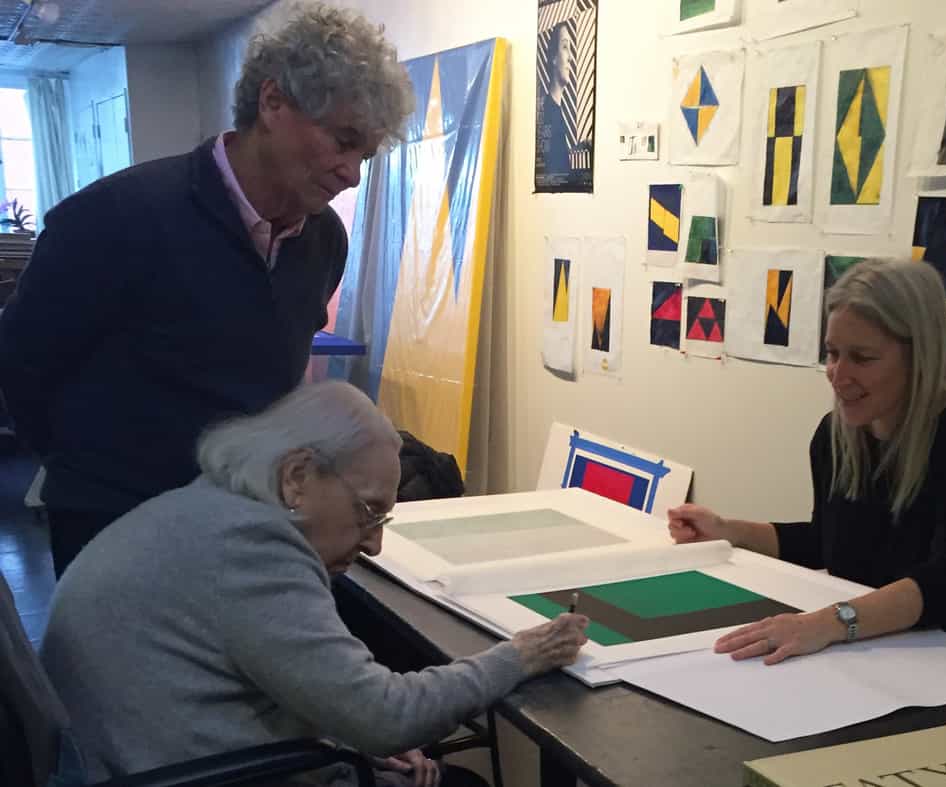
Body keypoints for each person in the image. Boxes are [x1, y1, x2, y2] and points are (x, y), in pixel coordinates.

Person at [0, 3, 415, 577]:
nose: (352, 172)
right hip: (117, 525)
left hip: (241, 522)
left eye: (364, 154)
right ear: (273, 103)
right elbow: (21, 365)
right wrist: (88, 468)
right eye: (342, 141)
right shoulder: (116, 217)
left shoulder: (323, 242)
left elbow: (276, 376)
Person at [41, 381, 590, 786]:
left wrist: (342, 736)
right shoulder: (254, 551)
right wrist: (518, 655)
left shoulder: (209, 507)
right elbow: (386, 716)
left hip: (143, 758)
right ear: (298, 477)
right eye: (368, 511)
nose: (374, 543)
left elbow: (291, 682)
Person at [669, 259, 946, 674]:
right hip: (876, 661)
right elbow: (828, 540)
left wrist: (826, 623)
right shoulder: (836, 436)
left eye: (862, 357)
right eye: (833, 353)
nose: (839, 376)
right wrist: (729, 532)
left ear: (920, 356)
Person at [536, 21, 574, 175]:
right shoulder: (548, 114)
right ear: (553, 57)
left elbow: (558, 162)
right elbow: (556, 172)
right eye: (565, 47)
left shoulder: (555, 111)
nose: (570, 57)